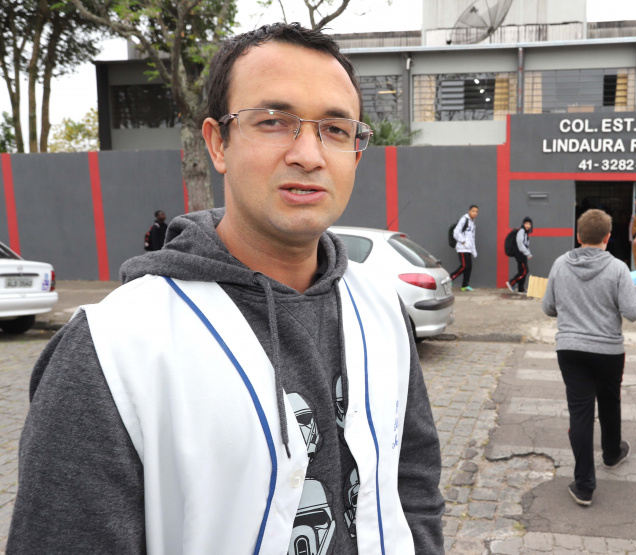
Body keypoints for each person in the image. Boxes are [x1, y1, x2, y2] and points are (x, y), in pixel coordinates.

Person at [8, 23, 445, 555]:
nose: (309, 153)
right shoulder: (114, 350)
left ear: (355, 153)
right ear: (217, 142)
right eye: (274, 121)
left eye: (334, 129)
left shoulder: (381, 312)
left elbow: (413, 481)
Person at [541, 209, 636, 507]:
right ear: (607, 237)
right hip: (608, 351)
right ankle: (612, 454)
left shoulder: (560, 264)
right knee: (610, 401)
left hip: (570, 350)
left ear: (578, 236)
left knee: (580, 413)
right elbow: (633, 312)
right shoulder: (617, 268)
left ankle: (585, 486)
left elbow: (548, 308)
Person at [450, 204, 478, 292]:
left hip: (468, 249)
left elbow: (472, 237)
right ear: (469, 211)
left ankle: (465, 285)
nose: (475, 213)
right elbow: (456, 232)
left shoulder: (472, 222)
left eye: (476, 212)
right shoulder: (464, 219)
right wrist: (464, 242)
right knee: (464, 266)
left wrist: (474, 250)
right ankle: (450, 279)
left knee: (469, 267)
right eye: (473, 211)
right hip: (462, 248)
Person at [507, 216, 533, 293]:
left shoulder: (526, 233)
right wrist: (528, 254)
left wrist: (528, 253)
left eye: (529, 224)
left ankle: (521, 289)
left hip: (523, 254)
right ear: (523, 224)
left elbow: (526, 245)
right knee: (524, 271)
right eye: (526, 223)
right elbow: (520, 245)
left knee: (522, 271)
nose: (528, 225)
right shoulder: (521, 231)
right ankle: (511, 282)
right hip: (520, 254)